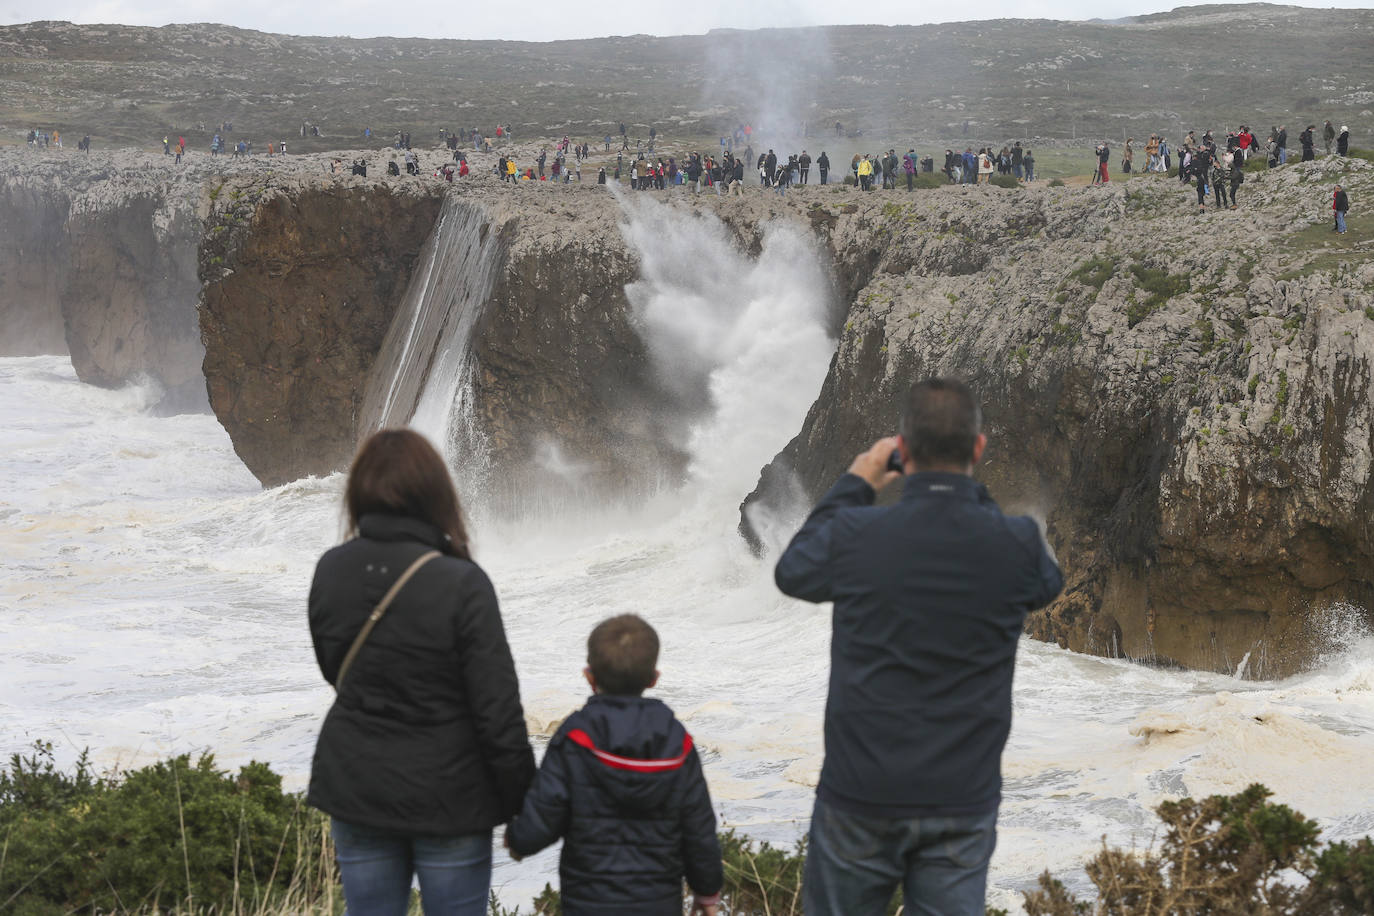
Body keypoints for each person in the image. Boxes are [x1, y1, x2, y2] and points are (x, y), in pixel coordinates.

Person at [775, 378, 1063, 916]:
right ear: (977, 449)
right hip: (961, 798)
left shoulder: (857, 533)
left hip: (860, 792)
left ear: (901, 453)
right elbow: (1046, 583)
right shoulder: (1017, 541)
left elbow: (794, 572)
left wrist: (858, 480)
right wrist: (969, 498)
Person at [308, 429, 535, 916]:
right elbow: (497, 712)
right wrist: (524, 807)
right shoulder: (462, 582)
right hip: (450, 795)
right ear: (436, 493)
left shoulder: (331, 569)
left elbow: (336, 670)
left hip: (358, 783)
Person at [505, 614, 723, 916]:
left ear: (589, 676)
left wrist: (518, 840)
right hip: (658, 904)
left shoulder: (575, 736)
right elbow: (698, 828)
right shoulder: (676, 741)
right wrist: (707, 891)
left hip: (588, 903)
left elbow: (546, 812)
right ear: (654, 679)